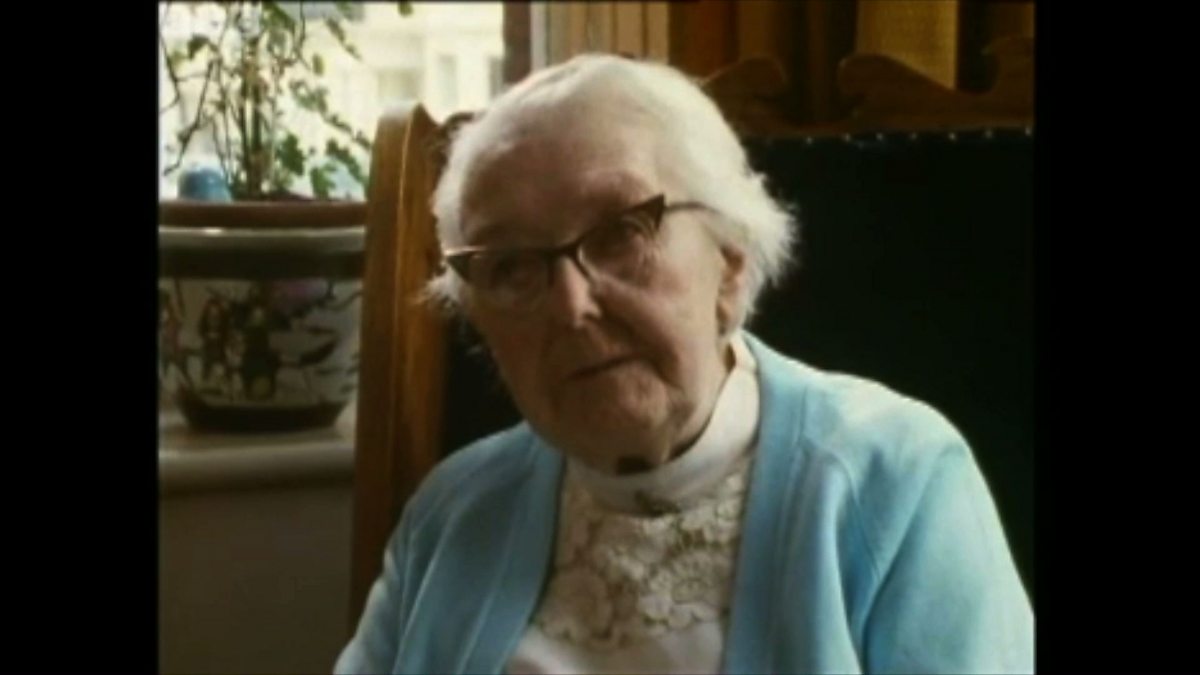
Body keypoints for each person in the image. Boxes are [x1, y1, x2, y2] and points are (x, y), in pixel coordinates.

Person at [336, 54, 1033, 675]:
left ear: (729, 263)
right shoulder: (453, 512)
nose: (571, 306)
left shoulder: (897, 480)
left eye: (620, 232)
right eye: (511, 267)